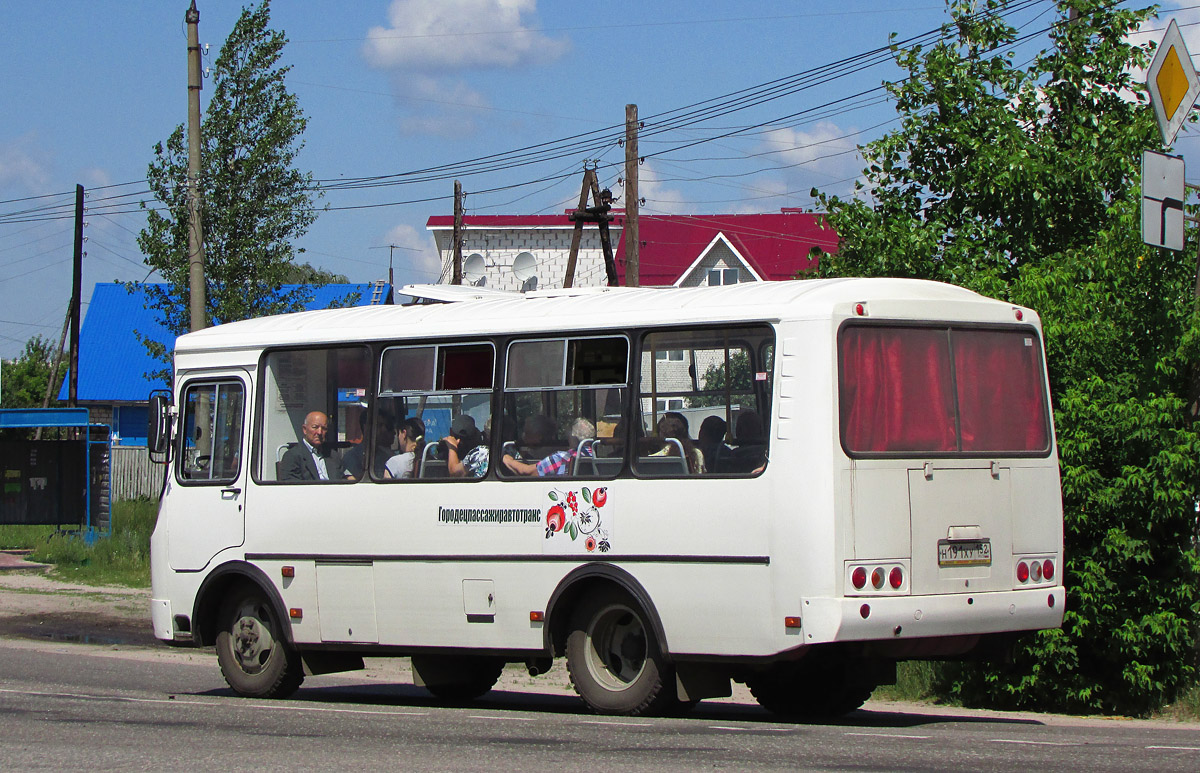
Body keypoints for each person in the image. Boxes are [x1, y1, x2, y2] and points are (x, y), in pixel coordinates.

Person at [504, 415, 593, 477]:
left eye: (568, 436)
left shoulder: (562, 457)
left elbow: (527, 472)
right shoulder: (592, 454)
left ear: (573, 436)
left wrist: (507, 459)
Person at [279, 410, 345, 481]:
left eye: (324, 428)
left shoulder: (333, 455)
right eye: (315, 427)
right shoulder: (292, 456)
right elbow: (291, 486)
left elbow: (340, 479)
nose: (319, 432)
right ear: (305, 429)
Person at [343, 410, 396, 480]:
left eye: (385, 426)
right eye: (379, 425)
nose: (384, 430)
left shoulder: (387, 456)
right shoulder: (352, 457)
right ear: (366, 428)